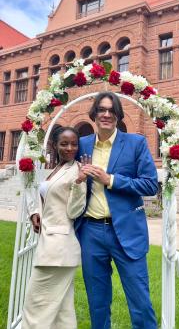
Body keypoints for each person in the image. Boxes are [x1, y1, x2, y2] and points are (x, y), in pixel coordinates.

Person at [76, 92, 158, 329]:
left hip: (127, 233)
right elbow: (63, 180)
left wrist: (110, 179)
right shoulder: (81, 144)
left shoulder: (136, 143)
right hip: (90, 232)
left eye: (112, 110)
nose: (106, 114)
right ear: (94, 114)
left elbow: (150, 184)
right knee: (97, 302)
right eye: (101, 109)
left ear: (118, 115)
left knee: (140, 303)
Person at [21, 126, 86, 329]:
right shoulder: (57, 169)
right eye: (64, 143)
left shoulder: (77, 170)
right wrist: (34, 213)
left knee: (36, 306)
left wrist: (79, 182)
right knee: (62, 312)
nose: (70, 148)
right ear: (55, 145)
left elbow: (75, 211)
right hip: (53, 246)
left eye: (74, 143)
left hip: (58, 249)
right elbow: (47, 200)